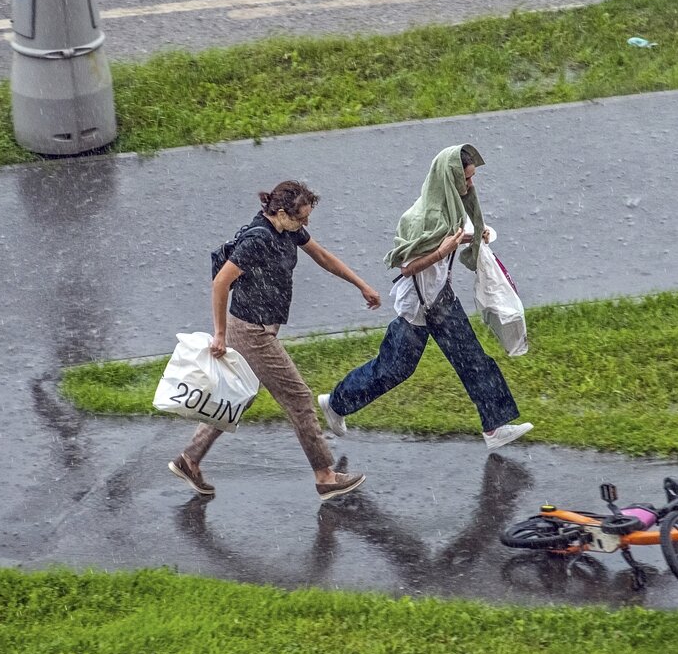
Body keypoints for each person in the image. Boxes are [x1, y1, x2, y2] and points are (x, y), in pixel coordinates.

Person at [169, 180, 381, 500]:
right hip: (252, 331)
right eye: (301, 218)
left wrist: (360, 284)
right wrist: (221, 334)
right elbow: (220, 284)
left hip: (260, 327)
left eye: (307, 218)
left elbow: (321, 255)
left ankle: (189, 459)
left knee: (238, 395)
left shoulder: (287, 229)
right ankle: (325, 475)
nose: (305, 224)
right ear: (281, 213)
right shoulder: (258, 239)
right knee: (298, 397)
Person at [318, 144, 533, 450]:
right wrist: (441, 252)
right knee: (393, 370)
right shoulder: (420, 218)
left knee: (473, 361)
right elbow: (406, 267)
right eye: (467, 179)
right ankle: (336, 403)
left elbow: (456, 233)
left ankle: (494, 427)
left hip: (441, 300)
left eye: (471, 178)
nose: (471, 185)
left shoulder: (451, 206)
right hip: (417, 309)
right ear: (450, 178)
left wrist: (476, 235)